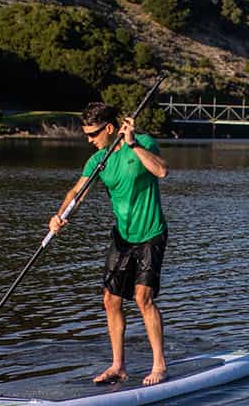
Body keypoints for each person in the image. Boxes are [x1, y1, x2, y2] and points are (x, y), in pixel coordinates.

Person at [51, 102, 170, 385]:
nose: (89, 140)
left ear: (109, 128)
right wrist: (59, 215)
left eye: (92, 134)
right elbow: (77, 192)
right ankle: (118, 365)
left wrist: (133, 145)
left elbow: (162, 171)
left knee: (143, 298)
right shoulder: (97, 161)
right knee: (110, 300)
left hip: (151, 233)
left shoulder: (142, 143)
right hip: (122, 236)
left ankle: (160, 366)